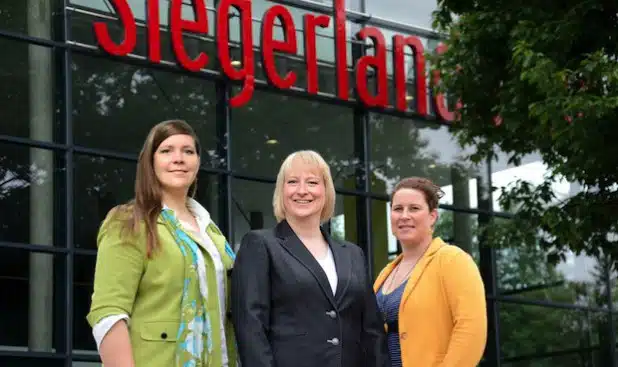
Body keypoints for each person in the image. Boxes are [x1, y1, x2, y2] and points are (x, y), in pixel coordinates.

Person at [86, 120, 237, 367]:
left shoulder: (213, 234)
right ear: (151, 161)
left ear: (197, 163)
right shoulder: (129, 222)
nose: (179, 158)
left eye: (188, 151)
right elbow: (109, 314)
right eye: (167, 150)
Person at [231, 150, 389, 367]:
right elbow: (251, 328)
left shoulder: (353, 254)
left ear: (326, 191)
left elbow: (372, 331)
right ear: (281, 191)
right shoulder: (260, 245)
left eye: (312, 182)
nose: (302, 191)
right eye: (293, 182)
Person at [373, 177, 487, 366]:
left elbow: (471, 330)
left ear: (432, 216)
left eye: (414, 208)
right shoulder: (385, 273)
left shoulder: (452, 260)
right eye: (398, 209)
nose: (404, 216)